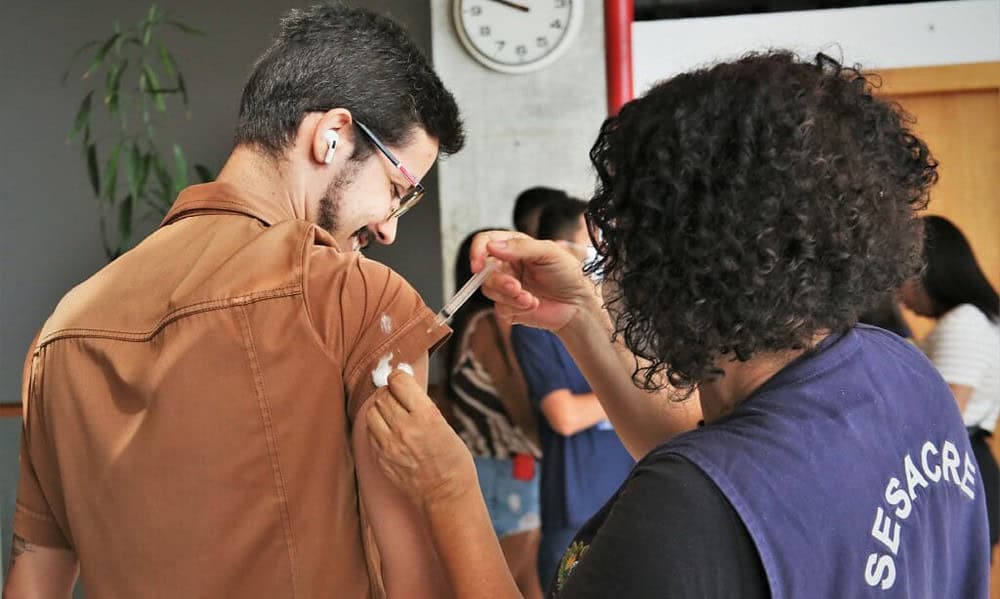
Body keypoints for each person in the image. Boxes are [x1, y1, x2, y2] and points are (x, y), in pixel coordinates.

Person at [363, 52, 990, 598]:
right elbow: (731, 472)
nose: (607, 257)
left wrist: (446, 489)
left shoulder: (682, 510)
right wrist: (581, 314)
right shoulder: (898, 371)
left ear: (681, 256)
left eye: (620, 233)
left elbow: (710, 496)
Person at [5, 5, 464, 598]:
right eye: (398, 189)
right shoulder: (357, 298)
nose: (388, 227)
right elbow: (414, 583)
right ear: (332, 136)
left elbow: (34, 576)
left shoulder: (62, 330)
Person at [509, 196, 634, 586]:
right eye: (592, 241)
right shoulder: (534, 324)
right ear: (560, 251)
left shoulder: (624, 315)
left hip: (629, 498)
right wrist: (634, 393)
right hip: (575, 504)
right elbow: (564, 415)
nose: (602, 251)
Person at [444, 229, 544, 599]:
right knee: (501, 583)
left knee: (527, 580)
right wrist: (553, 443)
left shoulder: (469, 325)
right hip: (503, 469)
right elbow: (516, 399)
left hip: (500, 467)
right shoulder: (488, 326)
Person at [901, 214, 1000, 555]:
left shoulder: (965, 321)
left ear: (929, 271)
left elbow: (945, 420)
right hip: (970, 468)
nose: (898, 292)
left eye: (904, 275)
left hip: (955, 474)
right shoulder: (977, 319)